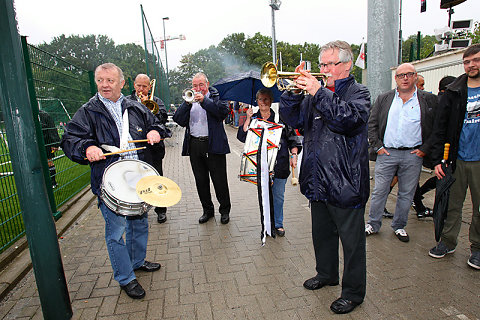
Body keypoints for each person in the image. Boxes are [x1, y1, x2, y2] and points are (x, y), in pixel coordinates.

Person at [61, 63, 169, 299]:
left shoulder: (135, 107)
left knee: (140, 223)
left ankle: (137, 261)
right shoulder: (88, 111)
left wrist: (155, 132)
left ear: (121, 83)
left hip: (137, 178)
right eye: (100, 80)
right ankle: (125, 277)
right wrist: (87, 146)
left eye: (110, 80)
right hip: (110, 181)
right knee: (116, 231)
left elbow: (159, 124)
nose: (104, 85)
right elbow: (70, 139)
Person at [280, 40, 370, 314]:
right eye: (322, 64)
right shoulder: (313, 96)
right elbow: (290, 119)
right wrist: (295, 92)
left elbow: (347, 120)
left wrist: (319, 92)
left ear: (347, 65)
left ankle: (353, 292)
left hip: (346, 181)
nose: (326, 69)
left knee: (352, 243)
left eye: (332, 64)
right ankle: (326, 274)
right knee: (321, 234)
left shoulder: (359, 92)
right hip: (317, 179)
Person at [365, 63, 437, 242]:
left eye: (409, 74)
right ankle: (373, 224)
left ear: (415, 76)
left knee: (406, 193)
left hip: (413, 155)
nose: (405, 78)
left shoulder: (428, 99)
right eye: (401, 75)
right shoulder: (384, 98)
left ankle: (399, 226)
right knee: (380, 191)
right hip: (387, 153)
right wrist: (378, 147)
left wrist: (424, 150)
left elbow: (436, 128)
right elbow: (372, 125)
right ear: (395, 78)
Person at [428, 44, 480, 270]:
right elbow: (440, 128)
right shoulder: (454, 90)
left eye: (476, 60)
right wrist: (439, 160)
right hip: (456, 160)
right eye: (467, 62)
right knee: (452, 204)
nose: (471, 65)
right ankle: (447, 242)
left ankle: (477, 248)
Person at [237, 89, 301, 236]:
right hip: (260, 166)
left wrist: (294, 154)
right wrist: (247, 118)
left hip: (280, 164)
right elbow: (242, 136)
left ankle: (278, 224)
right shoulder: (253, 118)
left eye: (266, 99)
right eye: (260, 99)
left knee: (278, 196)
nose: (264, 102)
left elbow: (292, 138)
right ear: (257, 101)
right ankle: (266, 225)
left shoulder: (280, 118)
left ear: (271, 101)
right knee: (264, 196)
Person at [173, 72, 232, 224]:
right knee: (201, 181)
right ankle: (207, 210)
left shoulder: (217, 97)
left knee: (219, 181)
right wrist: (187, 103)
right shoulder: (189, 99)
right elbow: (178, 119)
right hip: (195, 145)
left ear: (207, 84)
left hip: (213, 145)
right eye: (194, 85)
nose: (198, 88)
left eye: (201, 85)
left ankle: (224, 210)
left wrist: (205, 101)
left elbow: (222, 113)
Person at [412, 75, 457, 218]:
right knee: (441, 176)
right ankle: (421, 204)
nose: (423, 88)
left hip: (428, 149)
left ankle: (418, 202)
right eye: (421, 84)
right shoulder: (440, 103)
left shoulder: (437, 101)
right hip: (430, 149)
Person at [127, 74, 169, 223]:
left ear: (149, 87)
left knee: (157, 178)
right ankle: (138, 209)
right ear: (134, 85)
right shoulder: (127, 101)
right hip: (136, 148)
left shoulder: (157, 101)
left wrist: (151, 108)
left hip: (154, 149)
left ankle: (161, 210)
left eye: (144, 86)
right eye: (138, 85)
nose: (141, 89)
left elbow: (163, 120)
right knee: (137, 180)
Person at [38, 109, 61, 188]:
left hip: (46, 143)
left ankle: (53, 182)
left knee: (49, 162)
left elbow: (52, 130)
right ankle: (42, 183)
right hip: (35, 144)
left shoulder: (44, 115)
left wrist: (55, 143)